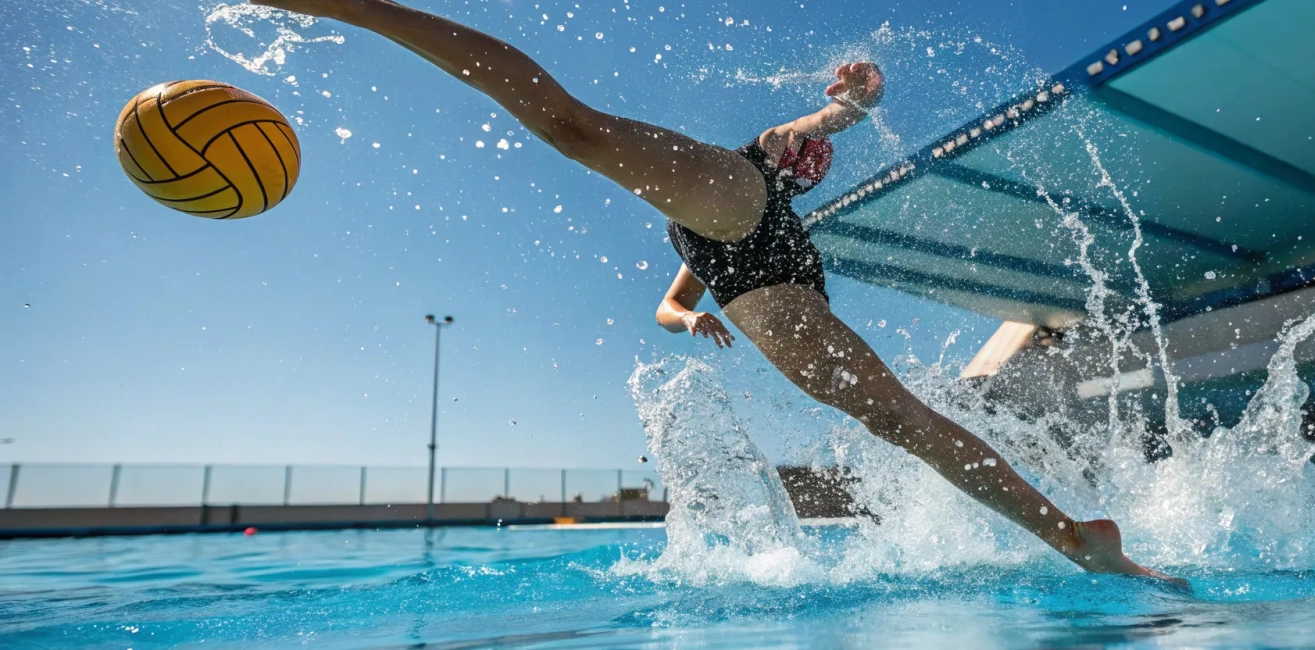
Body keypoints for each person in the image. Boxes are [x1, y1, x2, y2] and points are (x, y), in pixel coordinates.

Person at [253, 0, 1179, 584]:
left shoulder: (757, 160)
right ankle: (1076, 537)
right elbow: (666, 302)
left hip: (751, 226)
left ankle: (359, 8)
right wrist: (685, 312)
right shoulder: (704, 237)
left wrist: (846, 108)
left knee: (575, 131)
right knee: (892, 418)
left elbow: (812, 122)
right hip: (759, 281)